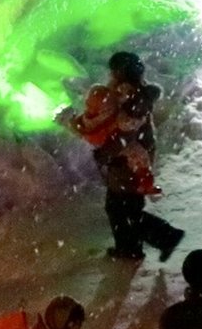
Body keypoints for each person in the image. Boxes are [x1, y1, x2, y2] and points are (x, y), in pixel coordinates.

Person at [73, 53, 182, 262]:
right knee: (123, 207)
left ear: (120, 73)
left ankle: (159, 238)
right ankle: (132, 247)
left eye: (113, 70)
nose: (110, 75)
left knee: (122, 208)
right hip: (128, 159)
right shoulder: (129, 95)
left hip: (130, 161)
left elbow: (124, 134)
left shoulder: (132, 101)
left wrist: (106, 151)